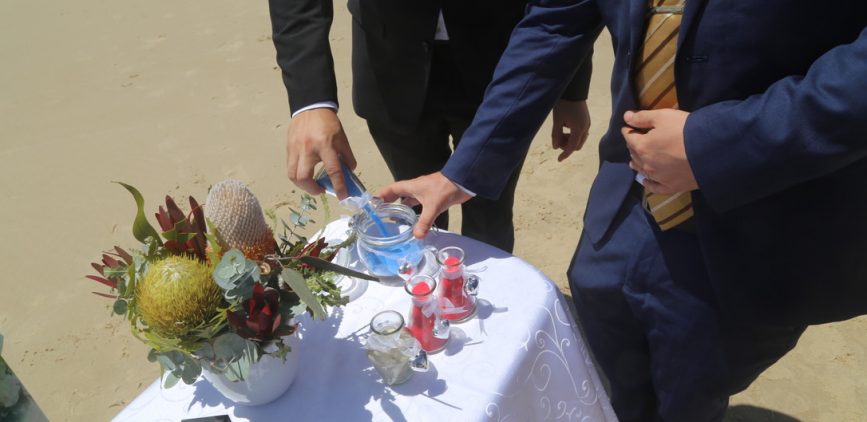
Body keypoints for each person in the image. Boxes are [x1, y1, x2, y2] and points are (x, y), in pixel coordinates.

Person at [378, 1, 867, 420]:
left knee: (693, 389)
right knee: (610, 366)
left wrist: (720, 145)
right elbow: (554, 23)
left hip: (763, 217)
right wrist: (464, 171)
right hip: (626, 201)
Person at [267, 0, 594, 253]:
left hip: (503, 70)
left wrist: (572, 87)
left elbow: (564, 9)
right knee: (417, 211)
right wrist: (312, 100)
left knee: (490, 215)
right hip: (389, 65)